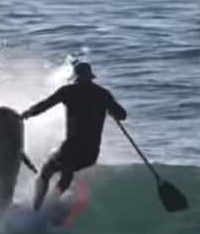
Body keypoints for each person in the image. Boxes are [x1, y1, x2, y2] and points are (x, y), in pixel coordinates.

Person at [21, 61, 127, 211]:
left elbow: (44, 105)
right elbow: (122, 115)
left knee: (46, 171)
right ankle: (51, 204)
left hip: (71, 147)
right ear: (90, 77)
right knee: (67, 172)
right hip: (91, 153)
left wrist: (26, 114)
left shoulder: (68, 91)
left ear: (76, 77)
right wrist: (111, 109)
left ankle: (37, 208)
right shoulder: (103, 94)